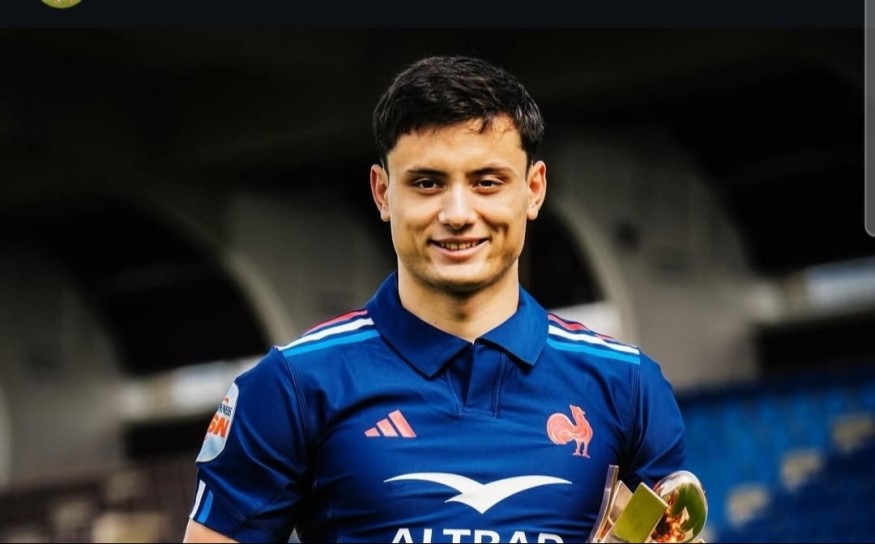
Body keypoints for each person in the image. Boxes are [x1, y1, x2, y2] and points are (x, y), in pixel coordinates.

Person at [182, 54, 687, 544]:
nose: (458, 213)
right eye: (427, 183)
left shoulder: (628, 386)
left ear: (533, 190)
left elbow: (676, 533)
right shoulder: (294, 384)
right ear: (383, 193)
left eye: (487, 182)